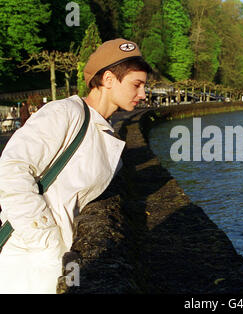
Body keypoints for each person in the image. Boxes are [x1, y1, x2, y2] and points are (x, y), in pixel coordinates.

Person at [0, 38, 151, 293]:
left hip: (52, 256)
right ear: (109, 79)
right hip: (26, 255)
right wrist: (46, 239)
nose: (143, 94)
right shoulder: (65, 113)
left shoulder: (104, 130)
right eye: (136, 85)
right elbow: (11, 168)